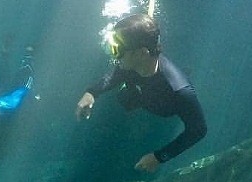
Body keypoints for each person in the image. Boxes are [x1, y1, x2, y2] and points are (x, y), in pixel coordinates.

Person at [75, 13, 207, 173]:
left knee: (127, 98)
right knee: (125, 98)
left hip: (163, 109)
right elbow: (117, 74)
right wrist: (91, 93)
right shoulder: (132, 64)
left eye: (117, 49)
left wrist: (159, 157)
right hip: (141, 94)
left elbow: (198, 129)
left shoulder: (179, 91)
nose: (113, 54)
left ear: (142, 53)